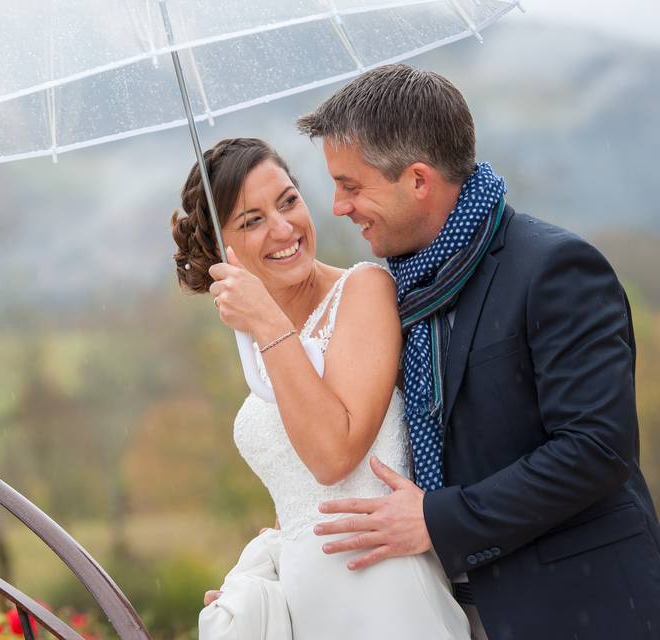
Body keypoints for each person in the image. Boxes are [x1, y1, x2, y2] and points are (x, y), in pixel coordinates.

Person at [299, 63, 660, 639]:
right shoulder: (393, 295)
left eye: (350, 185)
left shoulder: (556, 270)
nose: (339, 206)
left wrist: (438, 521)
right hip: (441, 611)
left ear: (418, 180)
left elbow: (596, 449)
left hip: (578, 610)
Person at [170, 137, 470, 637]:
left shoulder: (364, 291)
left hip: (385, 593)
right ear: (222, 251)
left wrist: (267, 323)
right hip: (309, 607)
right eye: (252, 220)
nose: (284, 228)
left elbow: (333, 456)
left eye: (288, 201)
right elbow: (303, 494)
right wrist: (263, 576)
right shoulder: (259, 349)